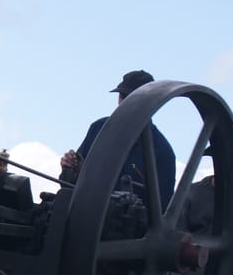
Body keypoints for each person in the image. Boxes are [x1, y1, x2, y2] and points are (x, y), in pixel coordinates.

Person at [59, 70, 176, 203]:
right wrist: (70, 170)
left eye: (132, 98)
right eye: (123, 96)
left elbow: (161, 208)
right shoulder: (98, 128)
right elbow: (69, 184)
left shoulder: (162, 152)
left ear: (150, 103)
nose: (125, 102)